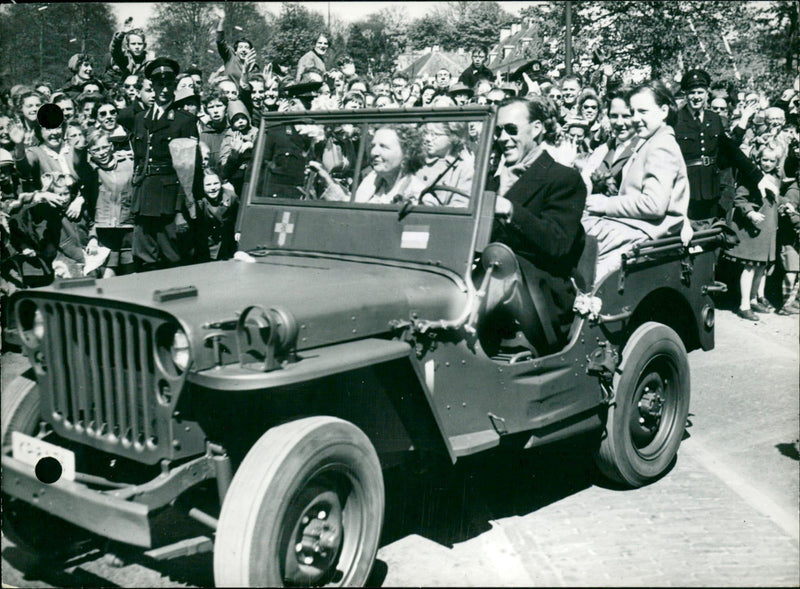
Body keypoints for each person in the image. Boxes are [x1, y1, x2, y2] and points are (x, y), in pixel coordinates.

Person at [489, 96, 587, 354]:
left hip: (539, 292)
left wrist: (510, 210)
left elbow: (559, 242)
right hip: (495, 278)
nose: (502, 138)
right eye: (498, 131)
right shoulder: (491, 179)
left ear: (537, 128)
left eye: (512, 130)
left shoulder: (564, 178)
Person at [583, 80, 692, 281]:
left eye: (643, 112)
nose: (636, 119)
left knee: (581, 247)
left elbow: (654, 205)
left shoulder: (661, 146)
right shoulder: (651, 142)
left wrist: (605, 204)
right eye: (633, 112)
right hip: (634, 226)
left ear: (664, 111)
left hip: (645, 231)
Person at [130, 57, 200, 272]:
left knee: (173, 256)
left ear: (174, 86)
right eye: (159, 84)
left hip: (169, 200)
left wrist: (181, 209)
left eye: (169, 84)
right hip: (144, 196)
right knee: (144, 256)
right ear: (152, 85)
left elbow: (189, 171)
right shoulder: (140, 118)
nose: (164, 89)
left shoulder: (184, 120)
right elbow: (139, 160)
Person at [673, 68, 765, 224]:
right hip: (685, 187)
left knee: (711, 234)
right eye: (692, 92)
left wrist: (758, 176)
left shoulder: (714, 119)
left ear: (707, 94)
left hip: (711, 187)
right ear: (686, 94)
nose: (696, 97)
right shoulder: (675, 119)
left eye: (700, 92)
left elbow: (731, 150)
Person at [723, 141, 784, 320]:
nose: (767, 164)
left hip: (768, 229)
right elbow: (740, 199)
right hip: (754, 230)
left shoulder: (776, 177)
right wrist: (750, 213)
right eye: (764, 160)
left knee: (760, 268)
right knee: (750, 268)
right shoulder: (751, 177)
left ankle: (753, 298)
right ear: (758, 159)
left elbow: (776, 198)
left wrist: (785, 203)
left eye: (772, 161)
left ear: (776, 162)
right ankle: (744, 304)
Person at [314, 124, 425, 204]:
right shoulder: (372, 180)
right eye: (373, 146)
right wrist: (329, 183)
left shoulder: (416, 194)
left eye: (383, 146)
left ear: (407, 153)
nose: (373, 152)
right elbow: (354, 211)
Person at [78, 129, 135, 277]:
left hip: (129, 227)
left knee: (131, 273)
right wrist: (93, 236)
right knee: (108, 276)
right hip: (105, 231)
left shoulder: (128, 163)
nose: (102, 153)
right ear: (90, 152)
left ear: (111, 146)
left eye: (104, 147)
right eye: (96, 150)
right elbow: (90, 209)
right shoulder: (90, 172)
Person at [581, 87, 642, 197]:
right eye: (614, 116)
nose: (619, 122)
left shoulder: (644, 148)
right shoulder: (602, 150)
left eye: (626, 116)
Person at [415, 121, 474, 207]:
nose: (428, 138)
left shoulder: (463, 168)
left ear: (452, 137)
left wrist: (433, 206)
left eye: (435, 134)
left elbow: (460, 207)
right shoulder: (416, 161)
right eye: (426, 133)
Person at [219, 99, 257, 197]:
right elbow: (224, 167)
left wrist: (253, 146)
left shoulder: (256, 132)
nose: (240, 121)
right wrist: (235, 152)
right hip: (237, 176)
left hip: (254, 174)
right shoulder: (230, 136)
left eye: (243, 118)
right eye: (236, 119)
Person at [107, 18, 154, 83]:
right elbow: (115, 49)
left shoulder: (150, 61)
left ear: (144, 46)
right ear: (127, 46)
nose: (137, 47)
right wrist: (122, 34)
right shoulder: (123, 58)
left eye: (140, 44)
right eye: (133, 44)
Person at [216, 15, 257, 85]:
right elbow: (220, 42)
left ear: (250, 51)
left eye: (247, 48)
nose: (243, 50)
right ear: (235, 51)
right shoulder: (230, 57)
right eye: (240, 47)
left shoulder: (254, 67)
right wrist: (221, 22)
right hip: (229, 93)